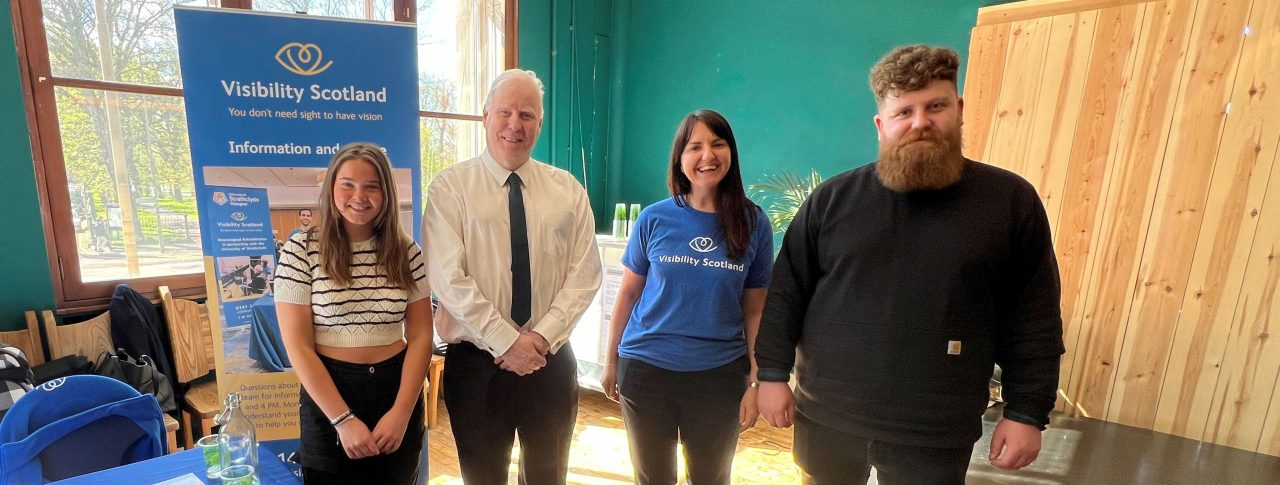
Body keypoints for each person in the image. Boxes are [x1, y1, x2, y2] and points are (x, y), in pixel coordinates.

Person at [754, 44, 1065, 485]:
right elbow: (787, 293)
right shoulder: (832, 201)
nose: (920, 122)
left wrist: (1027, 412)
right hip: (828, 415)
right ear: (882, 125)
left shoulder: (1009, 202)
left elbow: (1033, 317)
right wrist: (770, 374)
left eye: (934, 106)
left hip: (936, 429)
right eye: (904, 112)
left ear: (958, 110)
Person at [424, 68, 602, 485]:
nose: (514, 124)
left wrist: (538, 339)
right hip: (477, 366)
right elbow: (448, 278)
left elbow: (586, 274)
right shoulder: (451, 188)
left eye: (527, 114)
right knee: (482, 478)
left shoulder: (568, 190)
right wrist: (506, 341)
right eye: (505, 112)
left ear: (540, 123)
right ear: (486, 115)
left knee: (548, 477)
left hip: (550, 361)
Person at [600, 109, 773, 485]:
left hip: (719, 376)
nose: (707, 156)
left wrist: (756, 382)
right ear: (680, 159)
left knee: (711, 478)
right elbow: (628, 294)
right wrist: (610, 360)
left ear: (732, 152)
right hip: (646, 369)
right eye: (695, 147)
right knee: (653, 478)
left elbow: (756, 310)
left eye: (717, 144)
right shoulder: (654, 218)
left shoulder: (754, 223)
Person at [275, 142, 432, 484]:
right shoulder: (300, 250)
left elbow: (421, 336)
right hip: (330, 394)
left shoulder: (408, 251)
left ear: (386, 194)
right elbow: (298, 346)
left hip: (397, 389)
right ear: (332, 187)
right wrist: (343, 420)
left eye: (371, 186)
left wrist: (402, 412)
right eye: (347, 184)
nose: (358, 195)